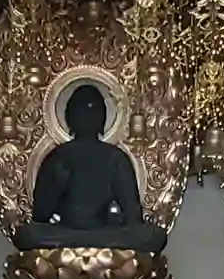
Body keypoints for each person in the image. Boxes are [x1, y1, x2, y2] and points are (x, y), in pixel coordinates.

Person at [12, 81, 167, 251]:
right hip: (66, 231)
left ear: (103, 117)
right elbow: (40, 215)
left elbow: (133, 218)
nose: (87, 117)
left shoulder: (114, 158)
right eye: (81, 111)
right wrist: (56, 187)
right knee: (26, 234)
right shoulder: (57, 157)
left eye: (93, 112)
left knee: (154, 236)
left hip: (102, 232)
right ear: (70, 117)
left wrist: (115, 220)